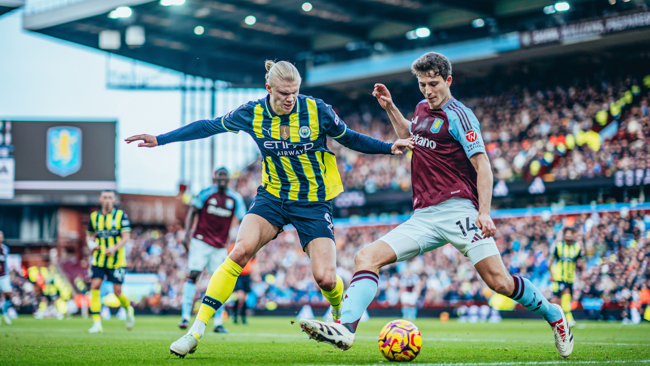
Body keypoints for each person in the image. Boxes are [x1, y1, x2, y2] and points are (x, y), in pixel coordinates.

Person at [126, 60, 413, 358]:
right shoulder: (252, 112)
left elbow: (350, 138)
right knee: (239, 251)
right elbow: (208, 126)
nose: (291, 98)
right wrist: (161, 139)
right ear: (269, 89)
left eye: (295, 92)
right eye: (284, 93)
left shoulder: (317, 110)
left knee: (326, 278)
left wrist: (386, 147)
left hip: (313, 202)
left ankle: (338, 313)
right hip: (272, 198)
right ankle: (195, 331)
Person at [299, 52, 574, 358]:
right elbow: (411, 138)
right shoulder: (420, 108)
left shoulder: (460, 116)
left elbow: (483, 167)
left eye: (433, 84)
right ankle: (346, 329)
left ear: (448, 81)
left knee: (500, 282)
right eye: (422, 85)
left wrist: (484, 212)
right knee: (366, 256)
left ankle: (554, 315)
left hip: (459, 210)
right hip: (425, 215)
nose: (428, 91)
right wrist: (390, 108)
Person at [178, 167, 246, 333]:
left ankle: (218, 322)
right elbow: (192, 212)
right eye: (220, 176)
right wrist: (187, 234)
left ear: (228, 179)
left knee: (221, 280)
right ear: (215, 178)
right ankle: (185, 316)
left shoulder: (235, 198)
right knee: (193, 274)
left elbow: (245, 219)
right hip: (200, 241)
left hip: (219, 245)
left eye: (225, 176)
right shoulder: (205, 193)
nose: (222, 178)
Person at [86, 190, 135, 334]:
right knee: (94, 286)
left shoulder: (121, 216)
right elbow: (89, 236)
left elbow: (126, 236)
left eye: (110, 198)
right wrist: (91, 245)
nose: (107, 200)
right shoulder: (94, 217)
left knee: (117, 292)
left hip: (117, 260)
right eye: (105, 197)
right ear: (100, 199)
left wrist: (114, 247)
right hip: (99, 259)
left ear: (114, 200)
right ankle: (97, 323)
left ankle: (128, 308)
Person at [549, 227, 583, 327]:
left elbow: (581, 260)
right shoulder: (559, 246)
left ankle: (550, 317)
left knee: (557, 297)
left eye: (570, 234)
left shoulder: (577, 247)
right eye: (566, 234)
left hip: (571, 277)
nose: (568, 236)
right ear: (564, 235)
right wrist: (551, 274)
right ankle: (568, 318)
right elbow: (551, 261)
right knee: (565, 295)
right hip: (559, 276)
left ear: (573, 235)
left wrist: (583, 272)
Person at [231, 244, 255, 325]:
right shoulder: (234, 246)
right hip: (239, 274)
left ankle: (243, 317)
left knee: (244, 298)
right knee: (240, 296)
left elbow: (253, 262)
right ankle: (235, 315)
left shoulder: (251, 247)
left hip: (247, 275)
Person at [0, 231, 13, 325]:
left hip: (4, 276)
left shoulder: (5, 249)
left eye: (1, 236)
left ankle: (4, 313)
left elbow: (6, 262)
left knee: (8, 295)